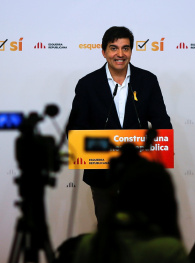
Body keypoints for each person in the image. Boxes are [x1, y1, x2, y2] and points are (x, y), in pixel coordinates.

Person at [66, 26, 173, 223]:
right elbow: (76, 128)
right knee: (108, 232)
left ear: (131, 51)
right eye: (114, 48)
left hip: (139, 173)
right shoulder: (87, 84)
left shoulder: (147, 81)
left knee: (140, 230)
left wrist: (161, 150)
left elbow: (162, 123)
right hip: (101, 173)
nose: (120, 54)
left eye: (125, 48)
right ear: (104, 51)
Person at [70, 148, 191, 263]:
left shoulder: (88, 246)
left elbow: (163, 134)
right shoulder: (171, 251)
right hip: (100, 177)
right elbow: (76, 133)